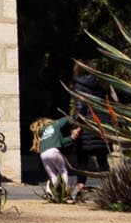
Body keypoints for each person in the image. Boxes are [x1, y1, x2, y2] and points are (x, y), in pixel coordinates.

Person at [69, 60, 112, 188]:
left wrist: (76, 126)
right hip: (102, 127)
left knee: (82, 161)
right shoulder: (103, 84)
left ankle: (80, 189)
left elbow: (80, 107)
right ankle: (111, 188)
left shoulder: (80, 84)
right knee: (102, 160)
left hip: (87, 128)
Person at [32, 114, 75, 196]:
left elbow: (60, 142)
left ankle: (48, 193)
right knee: (63, 171)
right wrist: (76, 118)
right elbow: (67, 119)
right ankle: (65, 193)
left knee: (52, 176)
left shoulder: (42, 131)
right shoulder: (56, 124)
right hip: (53, 151)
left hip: (43, 154)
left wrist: (71, 138)